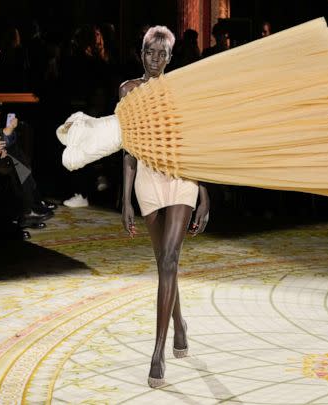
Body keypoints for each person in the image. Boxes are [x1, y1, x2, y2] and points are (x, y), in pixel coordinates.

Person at [120, 26, 210, 388]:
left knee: (170, 259)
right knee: (163, 262)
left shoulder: (180, 90)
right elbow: (127, 149)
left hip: (181, 176)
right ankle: (179, 323)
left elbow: (195, 142)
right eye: (149, 53)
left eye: (161, 55)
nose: (155, 60)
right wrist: (125, 199)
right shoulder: (128, 90)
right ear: (140, 53)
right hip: (146, 178)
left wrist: (204, 192)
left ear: (170, 58)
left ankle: (157, 352)